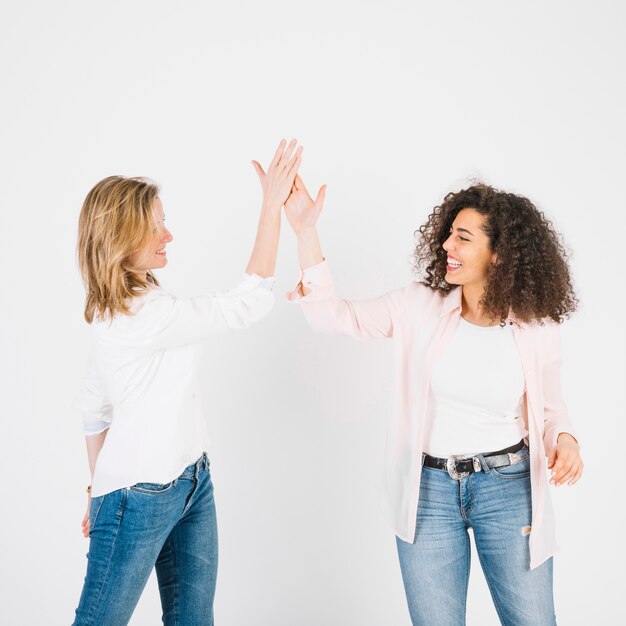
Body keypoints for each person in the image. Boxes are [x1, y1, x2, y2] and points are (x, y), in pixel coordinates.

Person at [284, 179, 583, 625]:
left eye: (463, 237)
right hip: (427, 492)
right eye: (449, 233)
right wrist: (306, 232)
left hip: (508, 488)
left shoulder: (535, 326)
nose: (447, 244)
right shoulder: (418, 305)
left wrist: (567, 440)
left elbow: (551, 408)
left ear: (499, 253)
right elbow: (334, 317)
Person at [72, 139, 302, 626]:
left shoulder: (123, 304)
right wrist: (270, 209)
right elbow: (247, 302)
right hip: (140, 496)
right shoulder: (142, 314)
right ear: (121, 238)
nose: (169, 235)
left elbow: (94, 405)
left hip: (192, 481)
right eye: (156, 227)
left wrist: (95, 485)